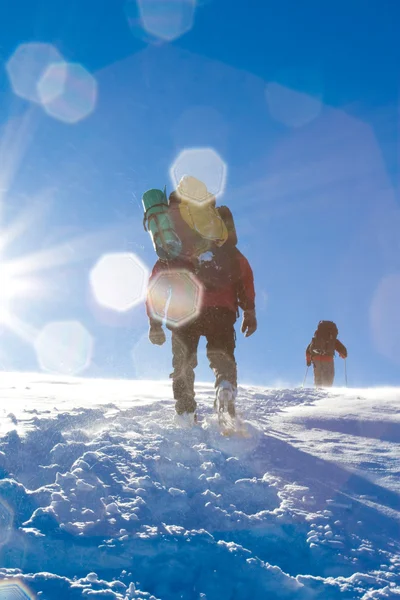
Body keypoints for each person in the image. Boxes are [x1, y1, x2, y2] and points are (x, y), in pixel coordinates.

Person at [145, 184, 256, 422]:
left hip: (184, 311)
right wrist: (250, 311)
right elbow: (243, 271)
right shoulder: (217, 232)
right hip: (222, 308)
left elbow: (157, 283)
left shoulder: (172, 237)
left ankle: (185, 410)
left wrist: (154, 323)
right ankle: (224, 386)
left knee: (183, 364)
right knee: (221, 355)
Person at [306, 320, 347, 387]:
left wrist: (308, 361)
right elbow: (342, 350)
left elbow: (308, 351)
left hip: (316, 359)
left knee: (318, 377)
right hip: (328, 359)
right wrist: (344, 355)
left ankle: (317, 393)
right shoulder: (332, 339)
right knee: (328, 377)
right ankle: (326, 394)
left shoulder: (316, 338)